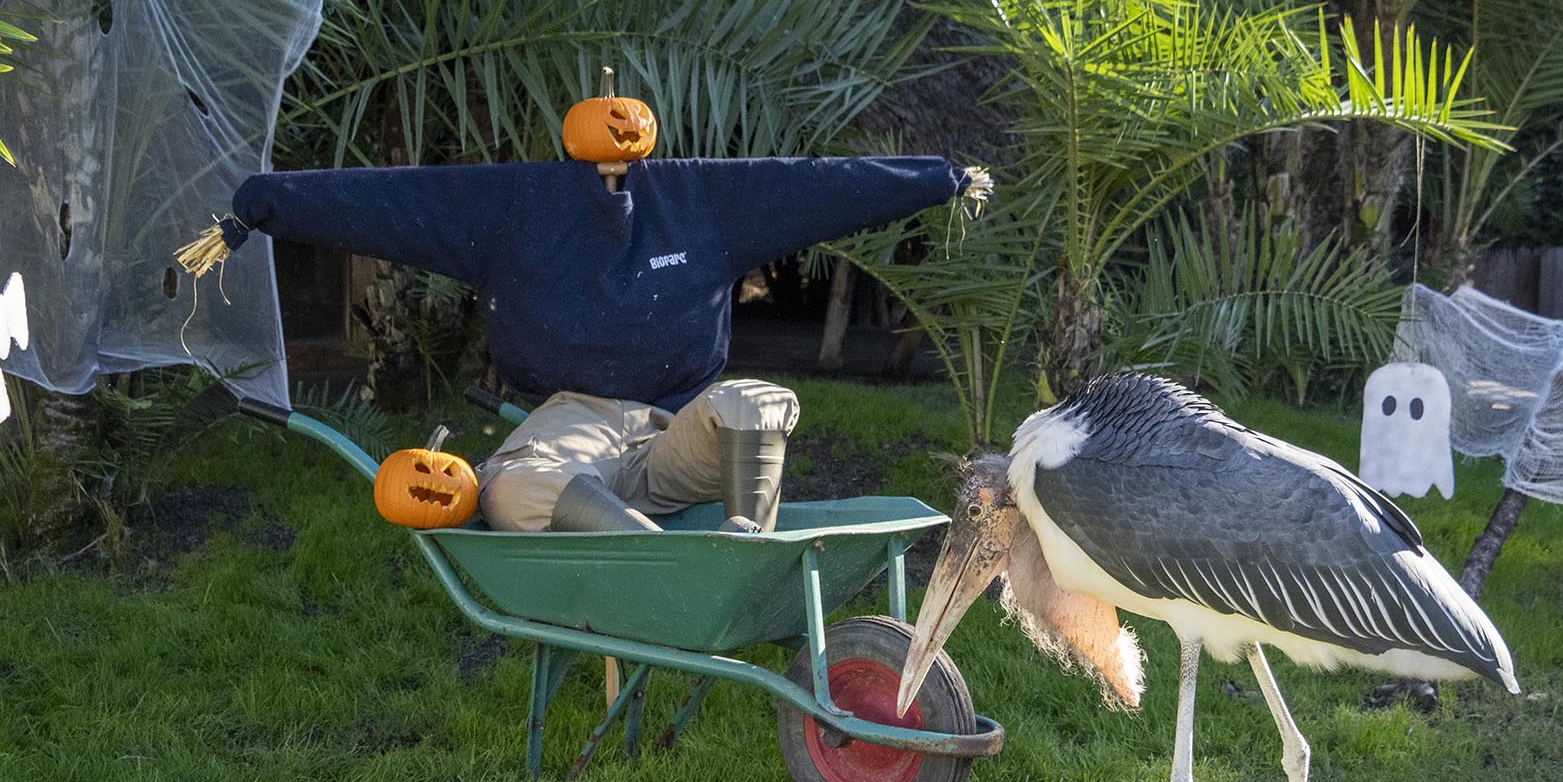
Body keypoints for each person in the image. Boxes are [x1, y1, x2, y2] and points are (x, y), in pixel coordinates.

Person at [196, 154, 987, 531]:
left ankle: (746, 549)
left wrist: (935, 179)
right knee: (511, 488)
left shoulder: (703, 203)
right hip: (570, 422)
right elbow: (393, 201)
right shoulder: (517, 210)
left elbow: (820, 186)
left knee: (758, 401)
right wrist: (264, 205)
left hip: (676, 432)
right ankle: (655, 563)